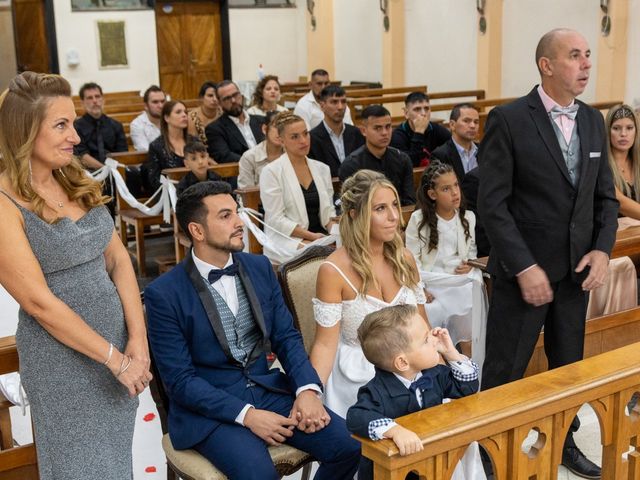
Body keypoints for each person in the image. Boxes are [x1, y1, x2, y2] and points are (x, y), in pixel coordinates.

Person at [144, 181, 360, 480]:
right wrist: (247, 416)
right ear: (197, 231)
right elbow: (180, 381)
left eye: (236, 212)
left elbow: (286, 337)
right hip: (211, 412)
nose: (239, 222)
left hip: (269, 390)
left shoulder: (259, 267)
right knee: (258, 475)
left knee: (348, 447)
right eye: (225, 216)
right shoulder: (164, 294)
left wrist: (308, 390)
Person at [478, 28, 619, 479]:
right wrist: (523, 266)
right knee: (506, 369)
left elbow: (606, 200)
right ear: (547, 64)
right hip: (524, 274)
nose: (586, 65)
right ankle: (489, 454)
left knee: (567, 368)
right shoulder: (510, 119)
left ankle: (563, 441)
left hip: (576, 273)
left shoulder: (594, 121)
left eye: (588, 56)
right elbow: (492, 205)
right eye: (575, 56)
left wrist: (601, 250)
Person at [0, 71, 151, 479]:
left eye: (74, 123)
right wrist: (114, 360)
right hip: (63, 364)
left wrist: (136, 338)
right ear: (26, 130)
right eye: (61, 125)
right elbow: (37, 302)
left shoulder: (74, 178)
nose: (76, 137)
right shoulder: (4, 203)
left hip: (118, 350)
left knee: (116, 465)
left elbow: (119, 260)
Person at [309, 169, 429, 419]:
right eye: (380, 209)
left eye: (394, 205)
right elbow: (324, 344)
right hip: (359, 377)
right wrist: (310, 394)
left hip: (412, 365)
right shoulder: (333, 271)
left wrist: (439, 367)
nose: (394, 216)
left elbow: (422, 324)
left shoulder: (404, 258)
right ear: (354, 214)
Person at [346, 305, 482, 480]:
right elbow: (356, 417)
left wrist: (451, 353)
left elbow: (467, 388)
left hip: (430, 463)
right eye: (426, 340)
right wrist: (395, 430)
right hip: (391, 472)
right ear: (402, 362)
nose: (434, 340)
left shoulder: (434, 375)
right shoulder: (377, 390)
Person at [405, 161, 487, 363]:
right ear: (432, 194)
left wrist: (470, 263)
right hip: (432, 281)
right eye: (446, 188)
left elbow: (471, 251)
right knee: (435, 308)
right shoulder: (419, 219)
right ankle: (439, 360)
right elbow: (411, 259)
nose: (455, 192)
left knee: (470, 293)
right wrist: (421, 288)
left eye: (456, 185)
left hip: (457, 280)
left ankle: (468, 361)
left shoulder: (468, 217)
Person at [259, 112, 337, 263]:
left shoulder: (322, 169)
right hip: (286, 238)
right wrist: (313, 238)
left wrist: (335, 234)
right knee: (316, 253)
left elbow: (328, 212)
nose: (303, 141)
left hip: (320, 235)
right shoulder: (271, 172)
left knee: (348, 248)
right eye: (295, 137)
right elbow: (276, 219)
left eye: (305, 134)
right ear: (282, 141)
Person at [339, 105, 415, 205]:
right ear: (363, 131)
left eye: (388, 127)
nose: (384, 133)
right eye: (377, 128)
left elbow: (410, 200)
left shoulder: (403, 159)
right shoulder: (351, 165)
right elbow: (351, 205)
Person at [309, 85, 365, 177]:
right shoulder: (313, 138)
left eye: (343, 102)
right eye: (334, 102)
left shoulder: (355, 133)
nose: (340, 107)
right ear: (322, 106)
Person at [206, 80, 266, 164]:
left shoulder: (261, 120)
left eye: (235, 95)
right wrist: (255, 163)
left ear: (241, 95)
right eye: (227, 98)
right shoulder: (215, 129)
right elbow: (224, 156)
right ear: (219, 103)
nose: (233, 100)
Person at [73, 82, 128, 170]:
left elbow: (122, 154)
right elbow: (81, 155)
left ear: (103, 99)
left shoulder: (116, 125)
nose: (95, 101)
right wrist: (105, 170)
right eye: (90, 98)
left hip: (115, 169)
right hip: (89, 171)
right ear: (82, 103)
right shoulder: (76, 127)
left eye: (97, 96)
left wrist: (114, 171)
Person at [390, 92, 451, 167]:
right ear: (406, 113)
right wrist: (419, 132)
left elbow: (453, 149)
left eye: (426, 108)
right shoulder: (397, 136)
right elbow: (410, 164)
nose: (423, 113)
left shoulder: (436, 129)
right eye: (417, 109)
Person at [145, 100, 189, 193]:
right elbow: (154, 181)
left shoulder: (194, 141)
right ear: (167, 118)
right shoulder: (156, 146)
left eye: (185, 112)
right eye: (178, 112)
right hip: (170, 195)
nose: (184, 115)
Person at [606, 104, 640, 217]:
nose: (623, 134)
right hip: (613, 232)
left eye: (629, 128)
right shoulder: (602, 164)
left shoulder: (637, 162)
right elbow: (620, 202)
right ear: (608, 131)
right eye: (616, 128)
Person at [432, 103, 480, 181]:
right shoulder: (440, 155)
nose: (473, 126)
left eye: (476, 122)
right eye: (466, 121)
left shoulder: (484, 150)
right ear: (452, 125)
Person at [237, 111, 283, 188]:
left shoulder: (292, 153)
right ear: (265, 129)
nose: (280, 132)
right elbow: (245, 194)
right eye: (276, 126)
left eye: (283, 128)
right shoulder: (249, 157)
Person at [130, 85, 165, 151]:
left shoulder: (171, 119)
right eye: (155, 102)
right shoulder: (137, 124)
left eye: (163, 101)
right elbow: (145, 150)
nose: (161, 106)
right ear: (146, 106)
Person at [188, 81, 222, 145]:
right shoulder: (192, 117)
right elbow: (192, 145)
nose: (215, 99)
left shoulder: (223, 114)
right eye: (210, 96)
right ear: (201, 98)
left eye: (217, 96)